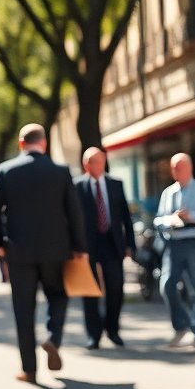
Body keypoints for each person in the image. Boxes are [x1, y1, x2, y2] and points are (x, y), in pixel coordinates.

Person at [0, 123, 88, 383]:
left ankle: (29, 369)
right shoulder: (60, 172)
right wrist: (79, 248)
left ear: (21, 144)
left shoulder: (6, 171)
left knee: (23, 309)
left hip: (19, 251)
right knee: (58, 296)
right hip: (56, 250)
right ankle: (53, 338)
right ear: (43, 143)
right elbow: (74, 212)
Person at [153, 153, 195, 352]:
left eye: (179, 167)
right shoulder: (168, 192)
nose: (176, 171)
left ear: (189, 168)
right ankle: (181, 325)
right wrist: (170, 219)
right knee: (167, 285)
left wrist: (191, 217)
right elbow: (158, 219)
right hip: (174, 243)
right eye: (173, 167)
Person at [73, 147, 135, 349]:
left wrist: (129, 245)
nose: (97, 165)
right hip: (87, 246)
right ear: (85, 165)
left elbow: (126, 217)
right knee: (90, 290)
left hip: (112, 242)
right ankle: (94, 334)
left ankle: (113, 329)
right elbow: (72, 220)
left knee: (116, 287)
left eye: (100, 161)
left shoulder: (116, 184)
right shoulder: (77, 186)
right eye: (92, 162)